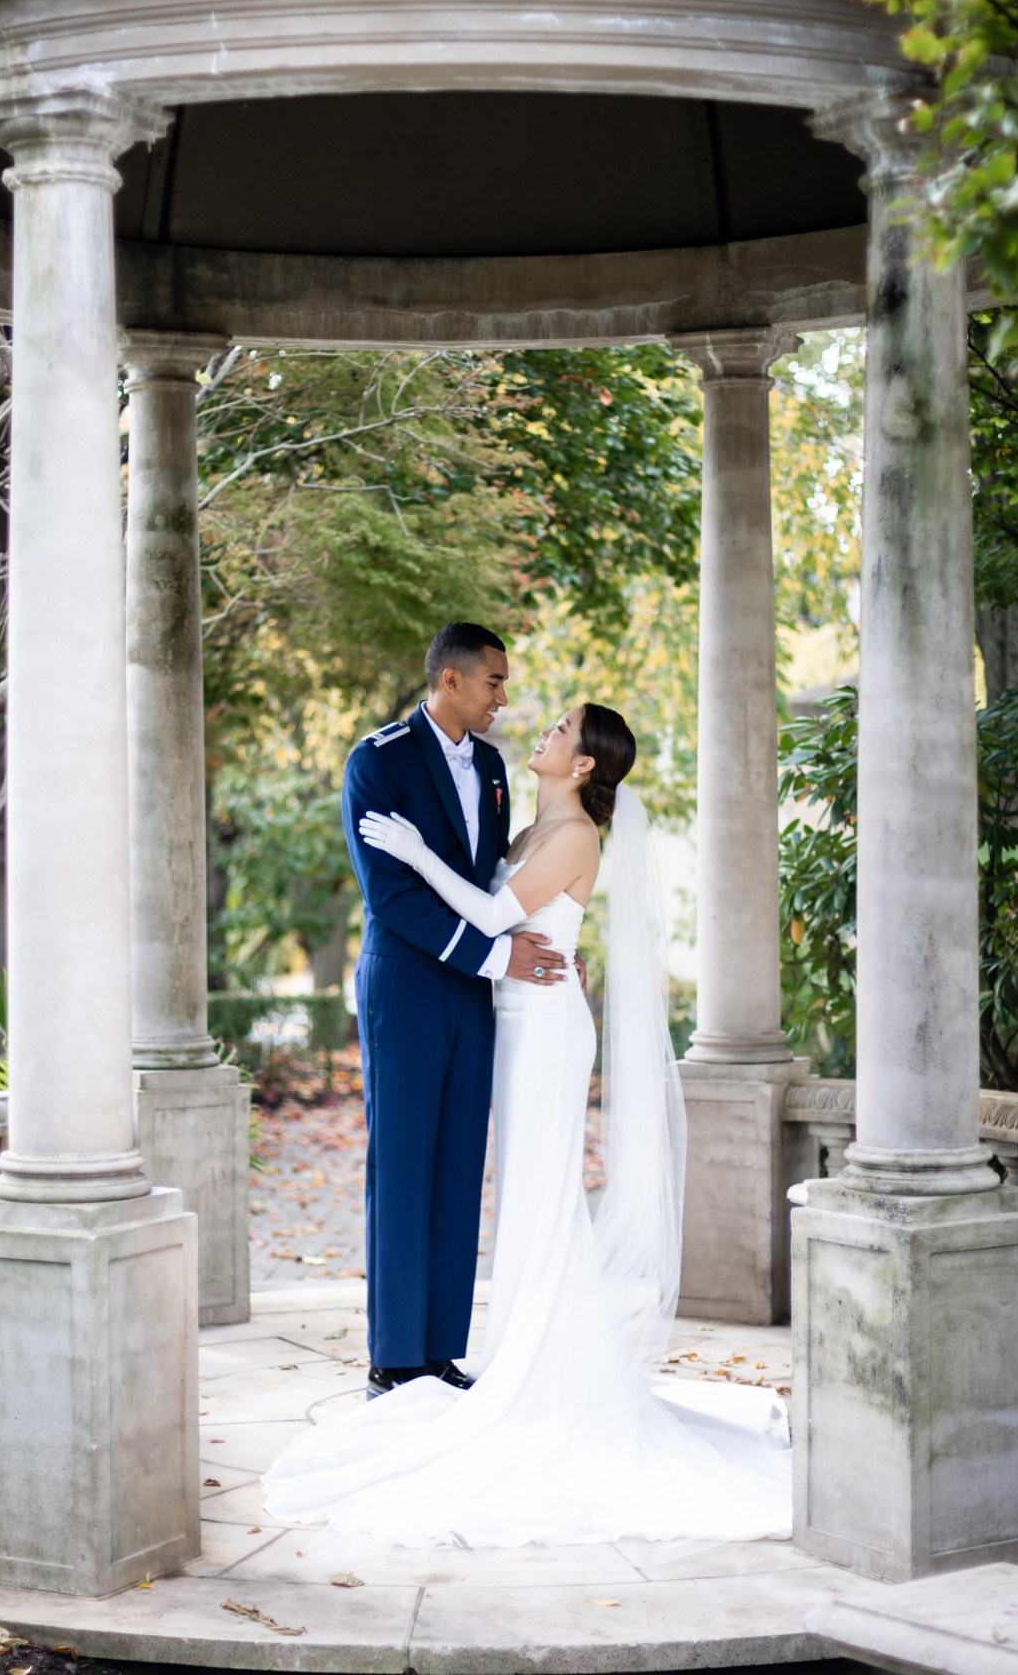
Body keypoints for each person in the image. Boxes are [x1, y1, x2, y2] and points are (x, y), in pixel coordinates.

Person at [264, 701, 792, 1551]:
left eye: (563, 730)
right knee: (519, 1196)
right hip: (511, 1022)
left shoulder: (576, 835)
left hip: (545, 1032)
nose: (545, 729)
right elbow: (508, 908)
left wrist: (414, 854)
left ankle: (543, 1370)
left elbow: (487, 917)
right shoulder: (528, 822)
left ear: (583, 765)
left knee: (543, 1194)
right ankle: (517, 1351)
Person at [340, 623, 567, 1401]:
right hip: (406, 984)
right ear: (451, 680)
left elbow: (488, 886)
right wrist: (498, 958)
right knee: (403, 1164)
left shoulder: (495, 768)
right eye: (494, 682)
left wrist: (533, 948)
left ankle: (439, 1349)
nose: (502, 697)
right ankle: (393, 1357)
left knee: (460, 1163)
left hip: (473, 992)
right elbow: (391, 898)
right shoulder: (377, 760)